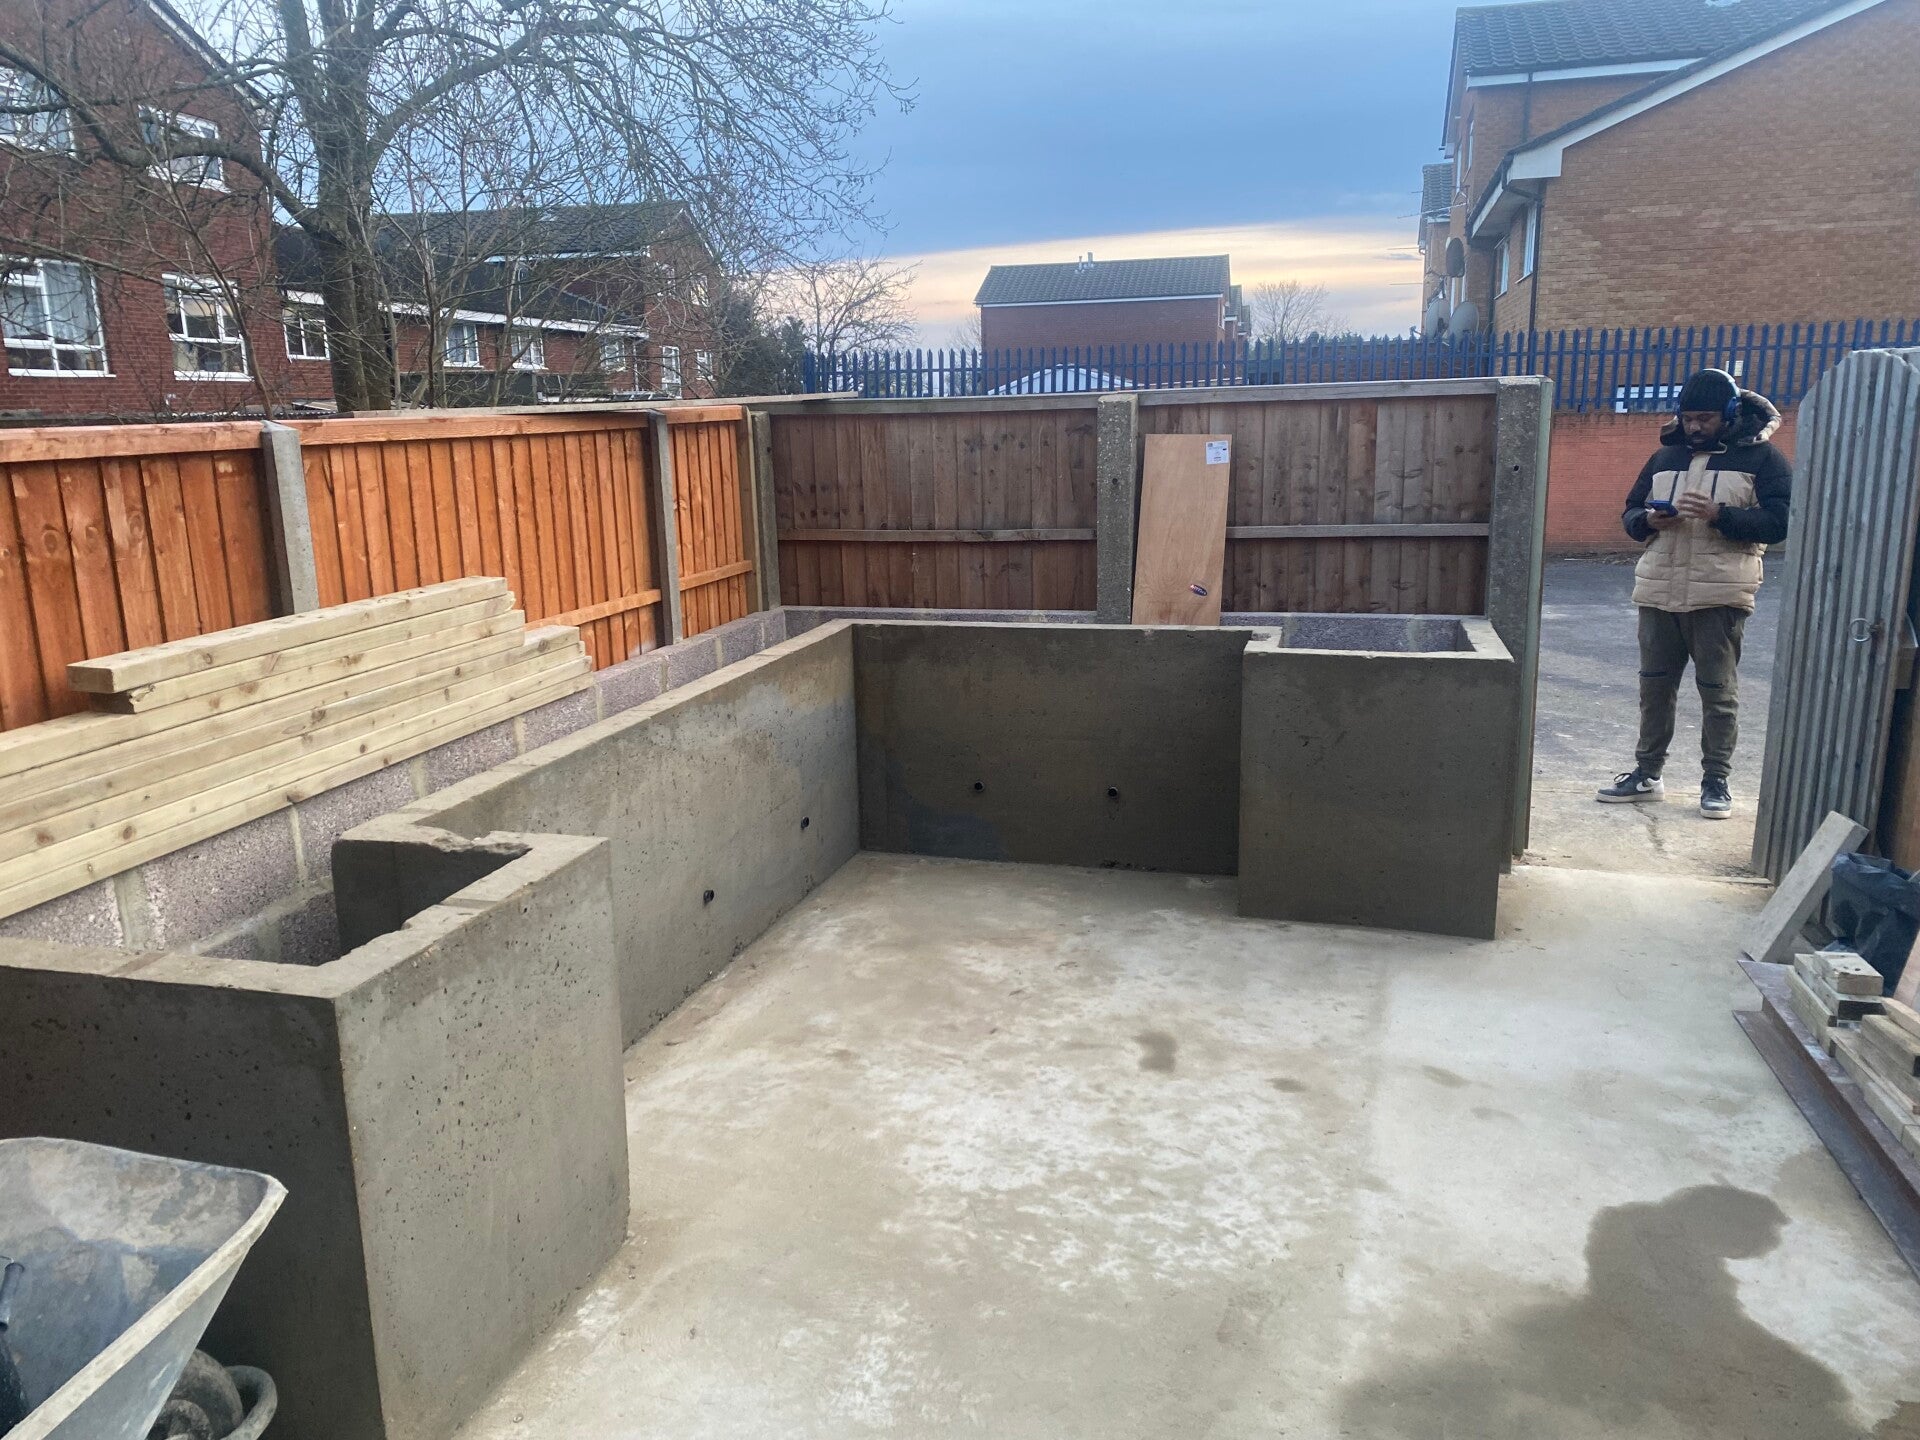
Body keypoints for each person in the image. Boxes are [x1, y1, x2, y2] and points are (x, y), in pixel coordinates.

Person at [1597, 368, 1791, 819]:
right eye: (1688, 418)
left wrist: (1719, 514)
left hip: (1719, 596)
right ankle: (1647, 775)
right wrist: (1648, 521)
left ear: (1729, 414)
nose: (1695, 426)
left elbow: (1781, 522)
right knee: (1654, 689)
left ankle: (1716, 781)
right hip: (1658, 591)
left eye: (1705, 418)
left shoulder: (1763, 459)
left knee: (1717, 692)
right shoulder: (1664, 458)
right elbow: (1630, 511)